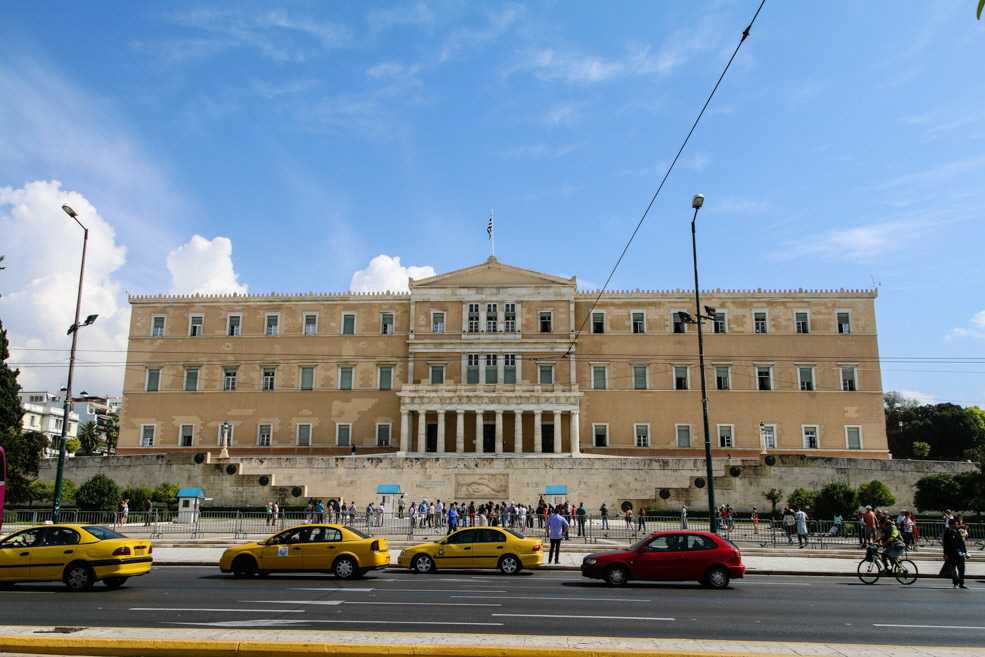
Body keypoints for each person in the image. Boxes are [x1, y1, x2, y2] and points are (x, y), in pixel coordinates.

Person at [942, 517, 968, 589]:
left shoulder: (957, 532)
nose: (957, 525)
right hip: (951, 554)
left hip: (959, 553)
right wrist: (945, 553)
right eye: (955, 524)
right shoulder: (946, 533)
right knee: (953, 569)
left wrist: (965, 551)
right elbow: (945, 544)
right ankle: (955, 583)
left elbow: (961, 542)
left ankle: (961, 583)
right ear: (951, 525)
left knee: (961, 568)